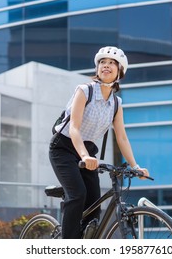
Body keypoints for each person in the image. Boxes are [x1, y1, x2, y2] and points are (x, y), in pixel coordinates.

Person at [49, 46, 149, 239]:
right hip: (63, 148)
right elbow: (74, 128)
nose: (106, 65)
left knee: (94, 205)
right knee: (78, 195)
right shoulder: (84, 90)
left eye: (112, 63)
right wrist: (84, 156)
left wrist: (135, 166)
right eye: (102, 62)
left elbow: (121, 137)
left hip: (87, 152)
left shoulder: (116, 103)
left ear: (119, 71)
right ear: (97, 68)